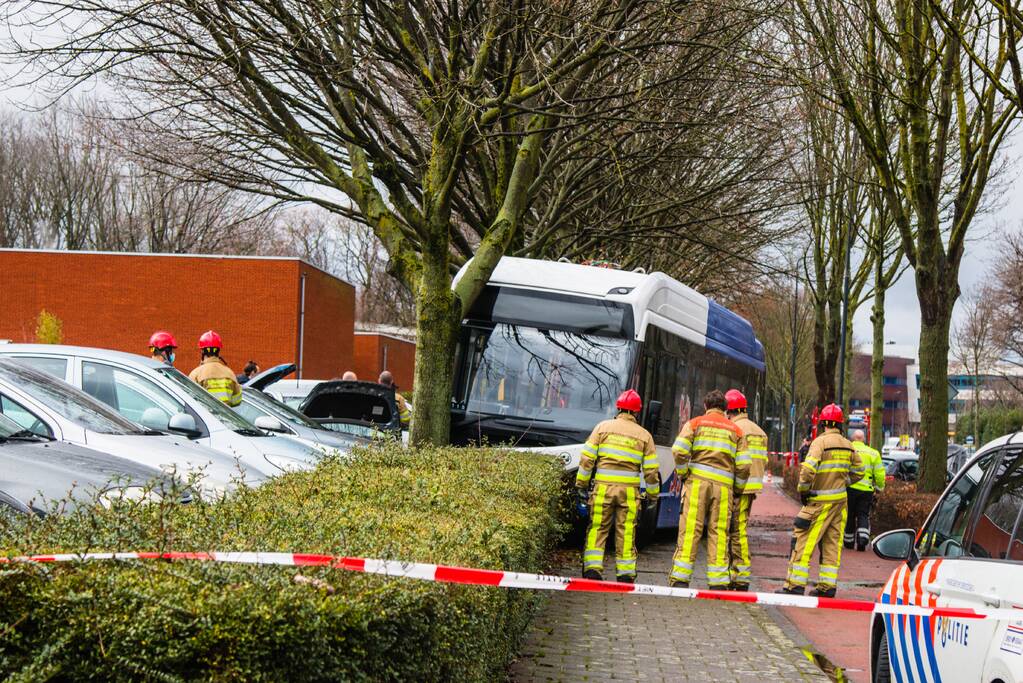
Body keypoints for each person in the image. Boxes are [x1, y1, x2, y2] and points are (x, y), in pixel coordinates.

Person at [777, 404, 864, 597]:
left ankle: (794, 586)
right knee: (832, 544)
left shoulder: (820, 443)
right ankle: (827, 587)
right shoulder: (848, 445)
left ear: (823, 423)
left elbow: (808, 470)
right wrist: (843, 482)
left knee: (803, 540)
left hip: (819, 502)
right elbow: (860, 472)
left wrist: (804, 489)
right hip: (840, 503)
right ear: (840, 424)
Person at [575, 389, 659, 583]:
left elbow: (587, 459)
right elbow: (651, 472)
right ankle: (626, 573)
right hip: (629, 493)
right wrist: (653, 496)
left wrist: (581, 485)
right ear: (637, 412)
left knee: (598, 527)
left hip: (603, 488)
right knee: (627, 530)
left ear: (618, 407)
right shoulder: (644, 435)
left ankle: (593, 570)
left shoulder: (602, 428)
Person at [669, 390, 748, 589]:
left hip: (696, 485)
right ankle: (718, 582)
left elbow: (678, 450)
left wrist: (683, 473)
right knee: (719, 532)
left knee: (690, 530)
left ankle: (680, 578)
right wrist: (737, 488)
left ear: (706, 406)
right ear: (725, 408)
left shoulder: (695, 424)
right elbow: (745, 465)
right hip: (723, 489)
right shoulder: (736, 431)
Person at [725, 389, 768, 592]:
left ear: (729, 410)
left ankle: (740, 575)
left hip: (737, 487)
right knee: (738, 528)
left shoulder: (734, 429)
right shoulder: (759, 431)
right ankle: (736, 573)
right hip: (752, 488)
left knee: (736, 531)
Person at [844, 429, 886, 552]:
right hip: (866, 490)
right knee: (863, 514)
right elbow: (879, 473)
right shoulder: (873, 453)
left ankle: (848, 542)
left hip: (850, 487)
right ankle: (862, 540)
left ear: (853, 439)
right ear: (863, 439)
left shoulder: (848, 451)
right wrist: (879, 487)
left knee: (850, 515)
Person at [188, 330, 242, 407]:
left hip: (204, 417)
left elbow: (189, 399)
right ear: (218, 350)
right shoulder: (229, 373)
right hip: (225, 417)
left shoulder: (196, 374)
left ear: (202, 351)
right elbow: (237, 401)